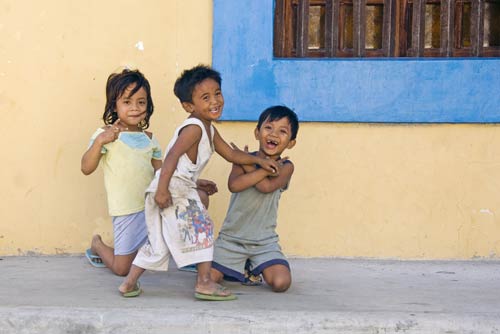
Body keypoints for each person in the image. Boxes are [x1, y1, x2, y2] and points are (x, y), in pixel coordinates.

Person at [118, 65, 279, 300]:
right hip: (172, 189)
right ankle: (204, 282)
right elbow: (171, 157)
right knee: (203, 228)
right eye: (205, 97)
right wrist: (163, 190)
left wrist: (260, 161)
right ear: (189, 106)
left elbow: (232, 155)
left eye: (218, 93)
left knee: (158, 243)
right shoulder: (194, 128)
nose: (215, 101)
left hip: (170, 187)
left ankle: (129, 283)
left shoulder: (208, 129)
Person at [81, 68, 218, 276]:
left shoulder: (149, 139)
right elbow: (86, 168)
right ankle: (98, 244)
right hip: (127, 210)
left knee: (198, 199)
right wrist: (101, 141)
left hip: (153, 204)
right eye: (127, 102)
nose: (135, 108)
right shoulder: (107, 135)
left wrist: (194, 184)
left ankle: (190, 254)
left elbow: (162, 172)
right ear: (114, 106)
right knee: (121, 269)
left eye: (141, 102)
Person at [210, 105, 299, 293]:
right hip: (231, 240)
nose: (274, 134)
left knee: (281, 283)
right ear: (257, 133)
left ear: (291, 143)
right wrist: (252, 162)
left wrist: (248, 163)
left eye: (282, 131)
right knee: (208, 279)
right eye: (268, 128)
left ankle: (252, 265)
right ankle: (243, 268)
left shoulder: (286, 167)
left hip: (264, 242)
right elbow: (234, 185)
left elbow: (266, 187)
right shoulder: (242, 159)